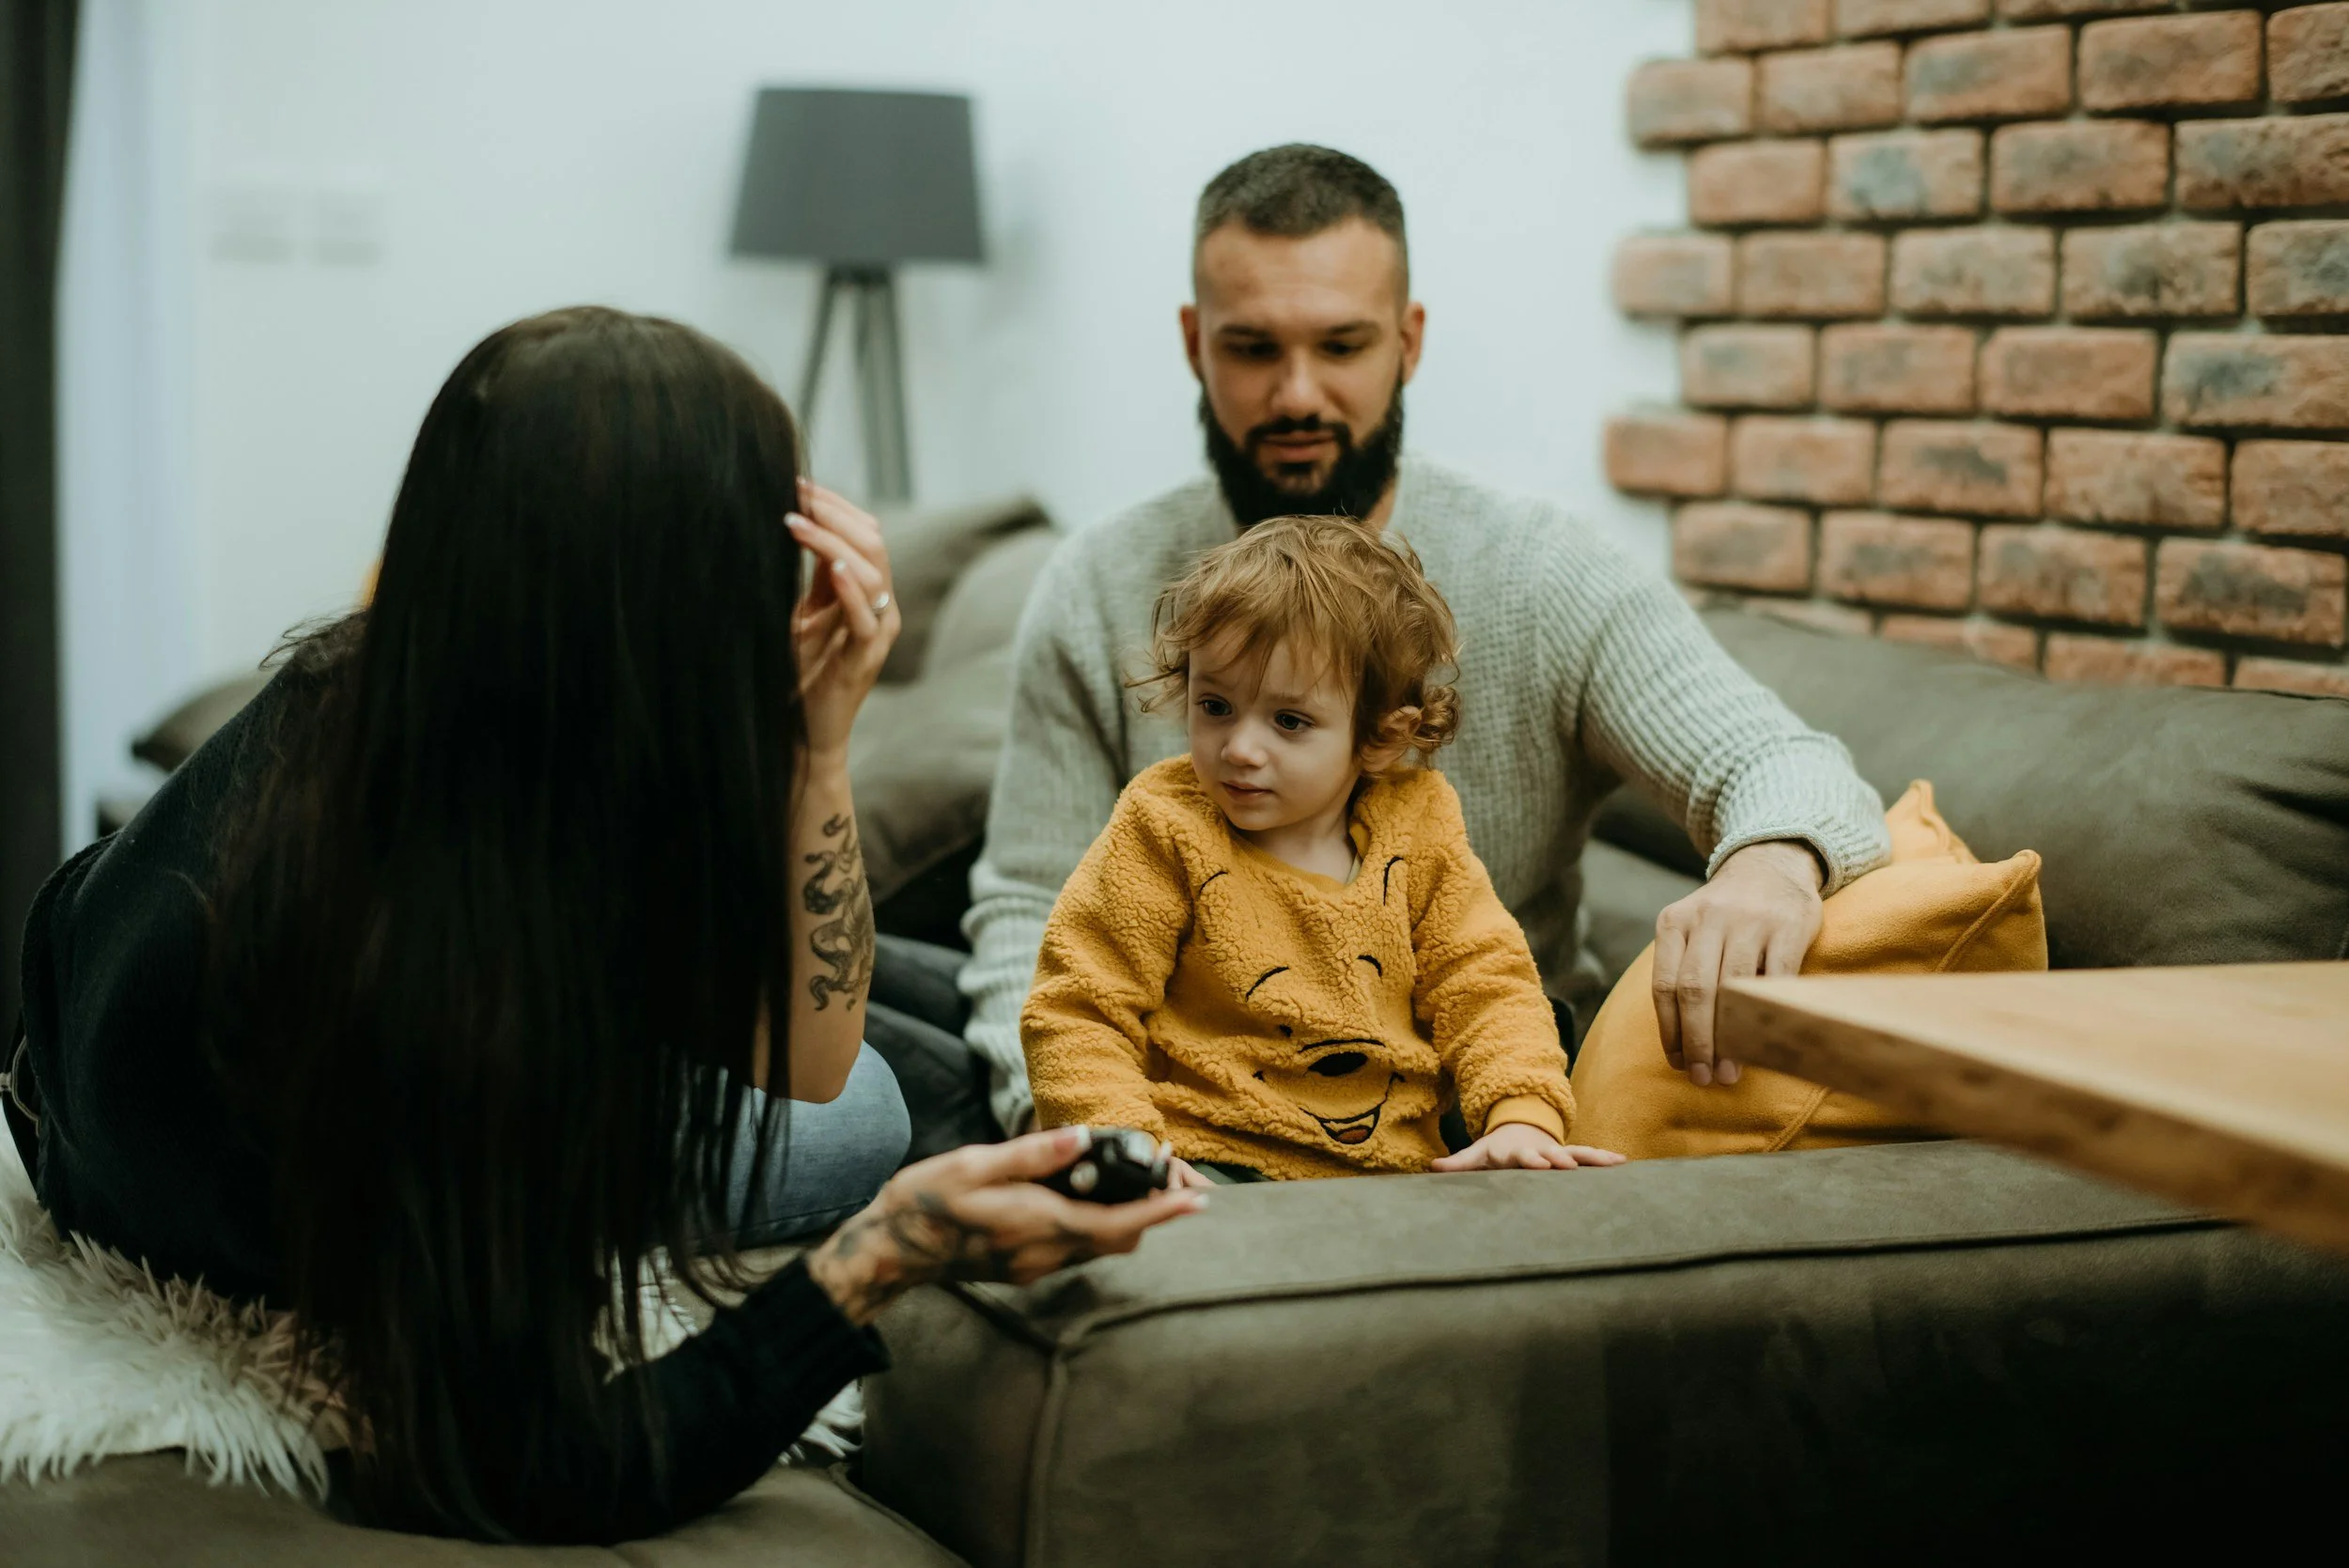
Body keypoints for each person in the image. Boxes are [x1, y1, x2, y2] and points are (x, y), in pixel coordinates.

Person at [5, 307, 1199, 1545]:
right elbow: (533, 1462)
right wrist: (891, 1247)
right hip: (173, 1161)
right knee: (877, 1112)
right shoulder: (417, 981)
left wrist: (821, 738)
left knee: (921, 988)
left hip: (97, 1068)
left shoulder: (421, 687)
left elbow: (784, 1020)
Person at [940, 144, 1892, 1141]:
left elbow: (1787, 765)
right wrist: (1069, 1135)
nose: (1297, 395)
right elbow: (1026, 912)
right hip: (1176, 1106)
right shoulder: (1097, 581)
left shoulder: (1542, 572)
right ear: (1193, 342)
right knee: (843, 1062)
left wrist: (1769, 868)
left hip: (1462, 1103)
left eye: (1343, 346)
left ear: (1409, 340)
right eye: (1253, 348)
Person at [1022, 517, 1626, 1183]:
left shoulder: (1418, 827)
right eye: (1215, 705)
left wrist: (1520, 1117)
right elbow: (1079, 1003)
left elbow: (1487, 983)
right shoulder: (1163, 825)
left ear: (1379, 738)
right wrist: (1126, 1150)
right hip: (1206, 1157)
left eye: (1289, 721)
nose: (1241, 747)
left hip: (1392, 1172)